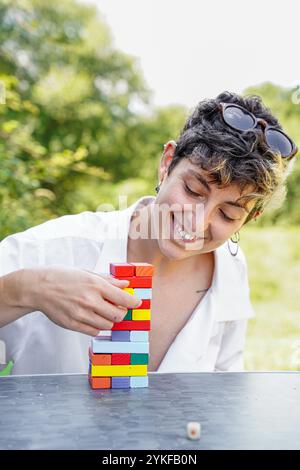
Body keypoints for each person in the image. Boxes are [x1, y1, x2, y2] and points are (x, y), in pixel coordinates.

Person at [0, 91, 297, 375]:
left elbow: (226, 382)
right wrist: (27, 289)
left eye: (227, 214)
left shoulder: (231, 269)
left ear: (250, 218)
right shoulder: (51, 249)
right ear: (167, 163)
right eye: (193, 190)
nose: (197, 222)